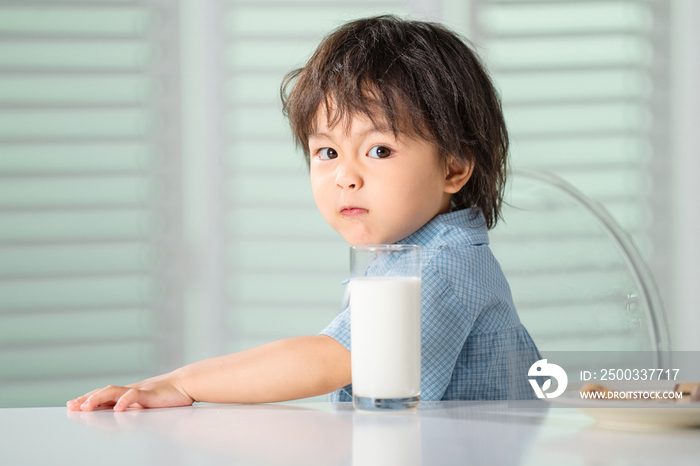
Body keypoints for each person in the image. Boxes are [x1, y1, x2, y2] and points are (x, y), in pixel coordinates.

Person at [67, 15, 539, 412]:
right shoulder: (403, 254)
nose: (345, 177)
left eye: (378, 150)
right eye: (327, 153)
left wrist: (181, 383)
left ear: (454, 166)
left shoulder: (444, 262)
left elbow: (332, 358)